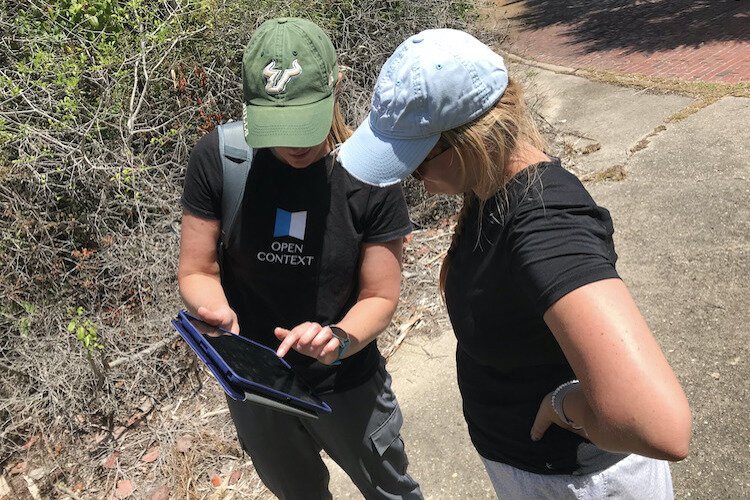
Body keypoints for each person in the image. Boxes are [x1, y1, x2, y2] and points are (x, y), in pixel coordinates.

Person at [338, 28, 692, 499]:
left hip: (578, 484)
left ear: (469, 141)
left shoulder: (546, 225)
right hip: (534, 471)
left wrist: (564, 405)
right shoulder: (491, 193)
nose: (411, 176)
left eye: (418, 158)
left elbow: (660, 426)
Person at [178, 17, 422, 500]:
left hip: (349, 383)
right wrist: (214, 309)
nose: (295, 144)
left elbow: (380, 294)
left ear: (337, 84)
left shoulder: (370, 173)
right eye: (280, 124)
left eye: (306, 122)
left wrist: (338, 338)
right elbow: (197, 270)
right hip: (260, 385)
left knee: (391, 492)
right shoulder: (222, 160)